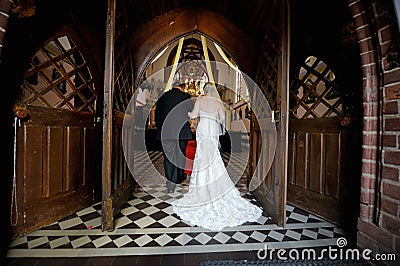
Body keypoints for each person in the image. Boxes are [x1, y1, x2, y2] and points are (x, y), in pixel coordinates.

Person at [171, 82, 262, 231]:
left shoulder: (200, 100)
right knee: (214, 158)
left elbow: (193, 115)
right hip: (212, 129)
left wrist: (186, 113)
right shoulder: (219, 103)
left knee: (202, 159)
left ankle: (201, 188)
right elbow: (222, 119)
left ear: (204, 90)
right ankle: (217, 186)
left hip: (203, 129)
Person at [155, 81, 194, 193]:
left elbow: (158, 114)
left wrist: (159, 129)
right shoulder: (186, 96)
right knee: (180, 155)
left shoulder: (162, 96)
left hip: (166, 132)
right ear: (182, 87)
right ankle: (179, 177)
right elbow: (191, 111)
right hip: (182, 132)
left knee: (168, 157)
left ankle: (170, 183)